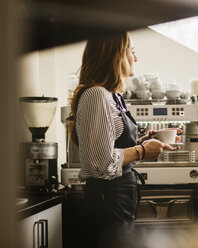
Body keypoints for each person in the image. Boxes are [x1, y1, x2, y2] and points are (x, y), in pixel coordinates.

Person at [66, 32, 177, 248]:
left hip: (118, 199)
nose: (136, 59)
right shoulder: (96, 95)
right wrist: (142, 151)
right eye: (132, 52)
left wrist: (144, 141)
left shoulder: (111, 95)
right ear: (115, 56)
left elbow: (111, 147)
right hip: (106, 203)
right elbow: (99, 163)